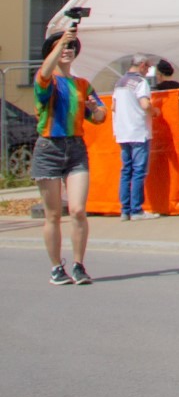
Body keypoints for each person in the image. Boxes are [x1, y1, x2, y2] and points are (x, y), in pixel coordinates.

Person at [33, 27, 105, 284]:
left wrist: (95, 109)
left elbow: (99, 117)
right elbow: (43, 73)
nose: (67, 51)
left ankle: (78, 265)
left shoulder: (82, 84)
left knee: (77, 210)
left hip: (75, 149)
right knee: (52, 215)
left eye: (71, 48)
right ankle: (55, 267)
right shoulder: (46, 81)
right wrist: (60, 41)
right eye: (62, 47)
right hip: (48, 149)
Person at [112, 54, 159, 221]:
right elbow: (145, 104)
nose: (147, 71)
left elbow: (114, 106)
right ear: (142, 65)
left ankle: (125, 210)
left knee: (126, 170)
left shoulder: (119, 82)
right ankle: (136, 210)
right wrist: (155, 112)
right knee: (138, 171)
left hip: (122, 130)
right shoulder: (141, 82)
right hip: (138, 130)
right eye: (147, 68)